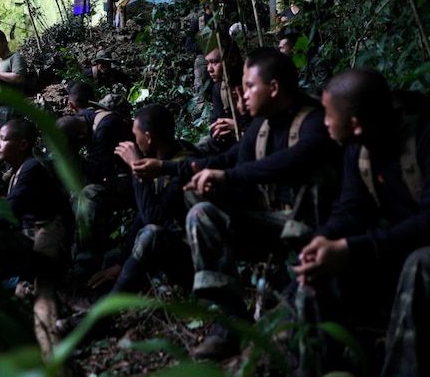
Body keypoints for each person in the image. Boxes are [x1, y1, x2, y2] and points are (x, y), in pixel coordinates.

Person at [291, 68, 430, 377]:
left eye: (328, 115)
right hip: (402, 256)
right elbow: (351, 209)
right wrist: (325, 239)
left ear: (354, 124)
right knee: (322, 271)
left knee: (421, 261)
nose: (323, 122)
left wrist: (350, 249)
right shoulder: (357, 148)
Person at [180, 48, 342, 360]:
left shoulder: (315, 120)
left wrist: (230, 177)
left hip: (317, 237)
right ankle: (231, 320)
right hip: (270, 225)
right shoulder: (259, 126)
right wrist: (218, 187)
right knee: (202, 213)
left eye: (251, 86)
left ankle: (295, 308)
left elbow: (294, 161)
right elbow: (241, 177)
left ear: (275, 88)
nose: (243, 95)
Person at [86, 103, 194, 295]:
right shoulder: (163, 159)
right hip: (171, 244)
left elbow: (153, 217)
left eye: (136, 136)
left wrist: (135, 167)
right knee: (111, 261)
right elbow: (143, 215)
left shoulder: (183, 165)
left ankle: (102, 316)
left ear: (149, 138)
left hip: (192, 257)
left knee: (149, 235)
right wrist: (120, 263)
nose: (134, 141)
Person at [0, 118, 73, 283]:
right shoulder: (18, 169)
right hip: (31, 239)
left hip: (44, 246)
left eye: (3, 139)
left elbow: (7, 212)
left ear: (23, 145)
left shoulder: (32, 168)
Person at [65, 83, 136, 263]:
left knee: (89, 195)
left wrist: (74, 159)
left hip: (135, 176)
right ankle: (75, 250)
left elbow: (101, 171)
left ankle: (89, 256)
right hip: (117, 174)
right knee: (74, 194)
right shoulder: (84, 119)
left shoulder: (103, 127)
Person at [194, 32, 250, 155]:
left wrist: (237, 127)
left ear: (233, 60)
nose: (209, 69)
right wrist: (219, 129)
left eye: (214, 62)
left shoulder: (251, 86)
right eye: (208, 63)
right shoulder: (219, 87)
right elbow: (214, 124)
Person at [278, 31, 332, 97]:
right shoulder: (286, 69)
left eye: (282, 48)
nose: (279, 52)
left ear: (294, 50)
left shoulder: (317, 64)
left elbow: (326, 90)